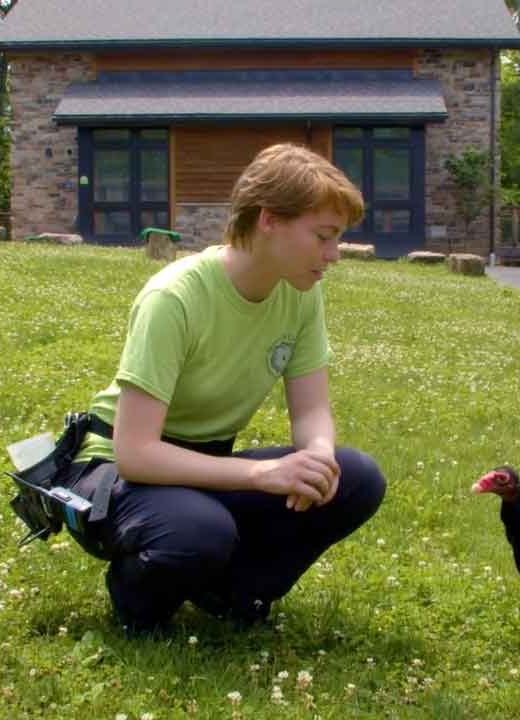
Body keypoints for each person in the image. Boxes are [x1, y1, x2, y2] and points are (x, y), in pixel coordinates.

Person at [52, 143, 387, 633]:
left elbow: (312, 408)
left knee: (355, 477)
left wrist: (317, 456)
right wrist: (263, 474)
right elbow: (136, 454)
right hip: (114, 473)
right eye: (323, 236)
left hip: (201, 469)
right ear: (269, 219)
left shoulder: (300, 293)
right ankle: (137, 602)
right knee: (199, 530)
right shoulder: (175, 297)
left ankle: (235, 592)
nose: (333, 255)